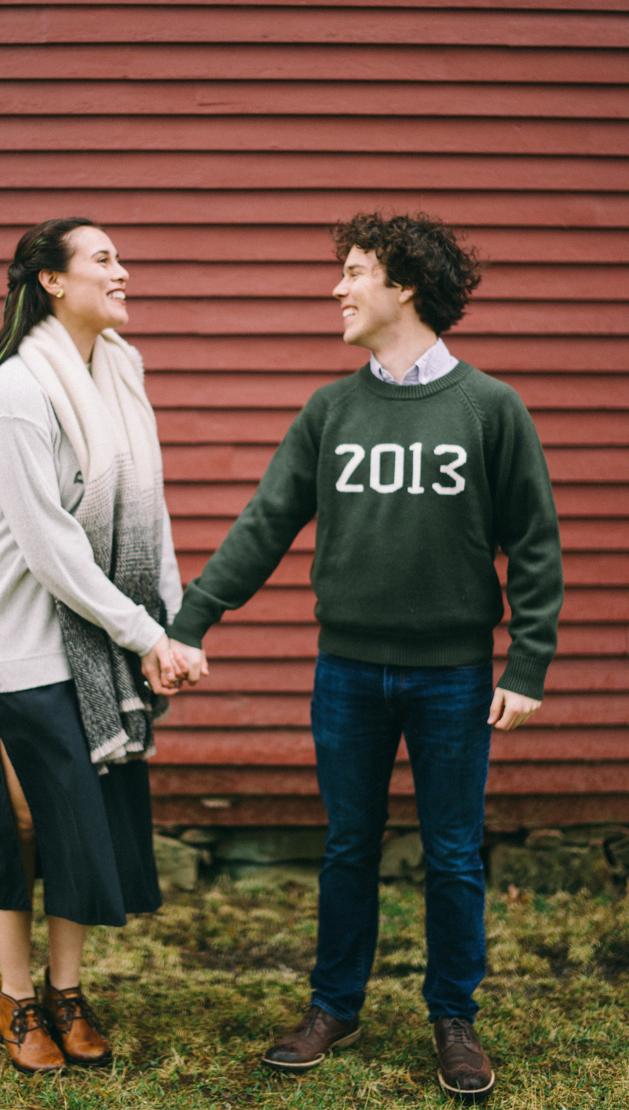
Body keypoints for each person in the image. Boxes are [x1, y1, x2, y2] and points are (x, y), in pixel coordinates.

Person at [168, 212, 564, 1098]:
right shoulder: (332, 409)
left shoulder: (490, 408)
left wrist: (527, 663)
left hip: (454, 675)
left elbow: (534, 544)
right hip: (346, 670)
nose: (338, 290)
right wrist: (192, 620)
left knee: (454, 851)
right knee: (349, 844)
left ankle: (453, 1017)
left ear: (405, 286)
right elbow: (267, 523)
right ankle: (334, 1006)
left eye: (354, 273)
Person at [0, 217, 201, 1074]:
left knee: (80, 823)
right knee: (23, 826)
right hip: (21, 645)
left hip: (96, 644)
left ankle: (67, 993)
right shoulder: (19, 394)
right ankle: (17, 1001)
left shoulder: (121, 372)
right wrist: (139, 630)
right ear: (53, 282)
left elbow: (148, 510)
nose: (123, 271)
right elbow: (51, 548)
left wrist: (164, 629)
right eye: (105, 259)